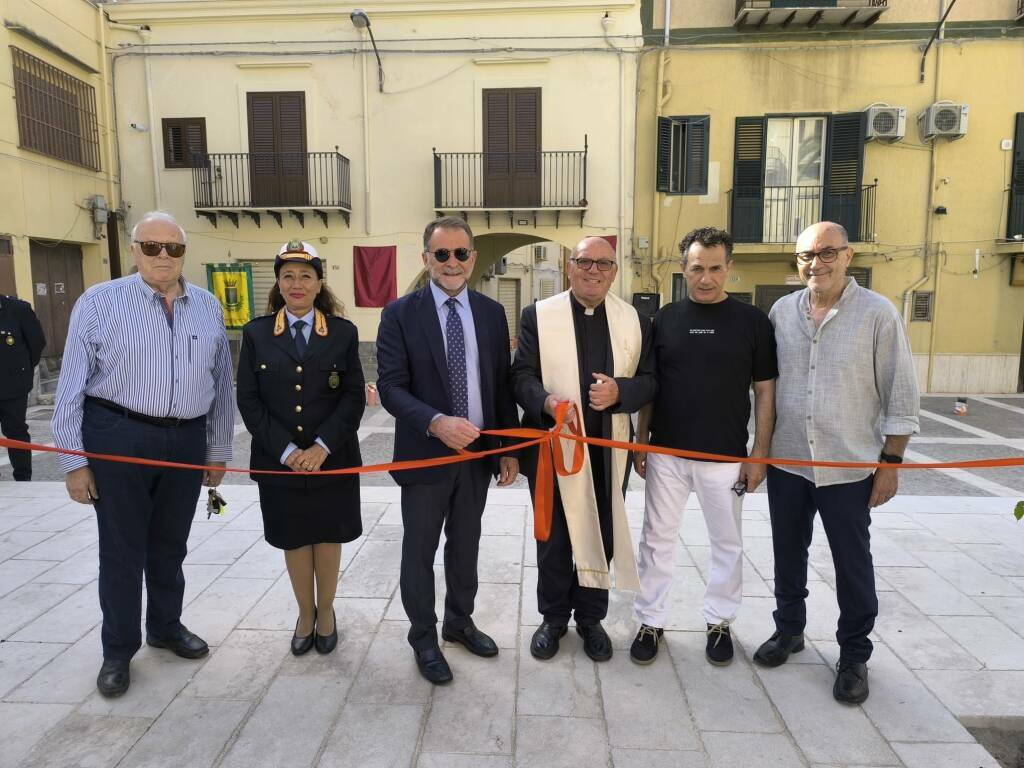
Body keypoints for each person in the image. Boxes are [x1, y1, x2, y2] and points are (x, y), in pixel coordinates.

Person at [51, 211, 234, 698]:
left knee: (170, 545)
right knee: (121, 549)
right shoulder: (99, 302)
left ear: (183, 253)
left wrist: (217, 449)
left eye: (173, 248)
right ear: (135, 250)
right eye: (151, 247)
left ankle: (166, 627)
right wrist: (74, 461)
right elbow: (70, 387)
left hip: (186, 439)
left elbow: (220, 384)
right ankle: (118, 650)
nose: (163, 257)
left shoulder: (207, 306)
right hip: (119, 435)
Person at [753, 221, 919, 705]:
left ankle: (854, 654)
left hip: (848, 467)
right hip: (788, 462)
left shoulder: (878, 314)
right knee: (788, 553)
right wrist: (759, 453)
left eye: (827, 253)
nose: (816, 263)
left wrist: (891, 462)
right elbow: (764, 388)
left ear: (848, 256)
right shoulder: (782, 312)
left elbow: (901, 394)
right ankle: (789, 631)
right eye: (807, 255)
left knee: (852, 563)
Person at [376, 216, 519, 685]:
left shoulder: (492, 313)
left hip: (477, 456)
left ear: (473, 258)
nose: (452, 262)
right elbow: (393, 389)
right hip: (426, 454)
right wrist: (436, 423)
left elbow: (499, 384)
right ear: (426, 259)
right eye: (442, 254)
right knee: (420, 551)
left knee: (466, 546)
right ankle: (423, 636)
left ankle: (459, 622)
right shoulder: (399, 313)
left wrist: (505, 448)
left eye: (461, 253)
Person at [631, 227, 777, 666]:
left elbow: (765, 394)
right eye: (698, 268)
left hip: (726, 458)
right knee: (656, 541)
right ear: (683, 269)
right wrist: (642, 443)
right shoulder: (665, 320)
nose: (707, 278)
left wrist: (759, 456)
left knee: (727, 543)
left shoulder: (753, 322)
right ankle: (651, 620)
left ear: (729, 268)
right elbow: (651, 388)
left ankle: (719, 622)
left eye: (716, 268)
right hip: (667, 456)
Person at [512, 236, 657, 662]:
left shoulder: (636, 321)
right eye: (584, 262)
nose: (594, 270)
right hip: (554, 444)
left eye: (604, 264)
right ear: (569, 265)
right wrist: (546, 401)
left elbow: (651, 381)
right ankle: (554, 618)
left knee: (603, 531)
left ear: (615, 271)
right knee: (554, 535)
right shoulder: (538, 316)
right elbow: (520, 374)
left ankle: (591, 619)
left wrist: (621, 392)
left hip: (609, 446)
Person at [237, 241, 365, 656]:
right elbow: (249, 401)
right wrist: (289, 451)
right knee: (294, 538)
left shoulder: (343, 333)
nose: (296, 284)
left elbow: (352, 398)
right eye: (288, 275)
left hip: (332, 458)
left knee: (329, 536)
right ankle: (304, 613)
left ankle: (325, 612)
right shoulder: (256, 333)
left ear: (318, 283)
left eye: (305, 276)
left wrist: (322, 447)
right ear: (278, 282)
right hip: (280, 463)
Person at [0, 293, 46, 480]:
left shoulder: (18, 310)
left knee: (16, 431)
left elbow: (37, 343)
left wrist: (22, 371)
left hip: (13, 387)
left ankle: (23, 477)